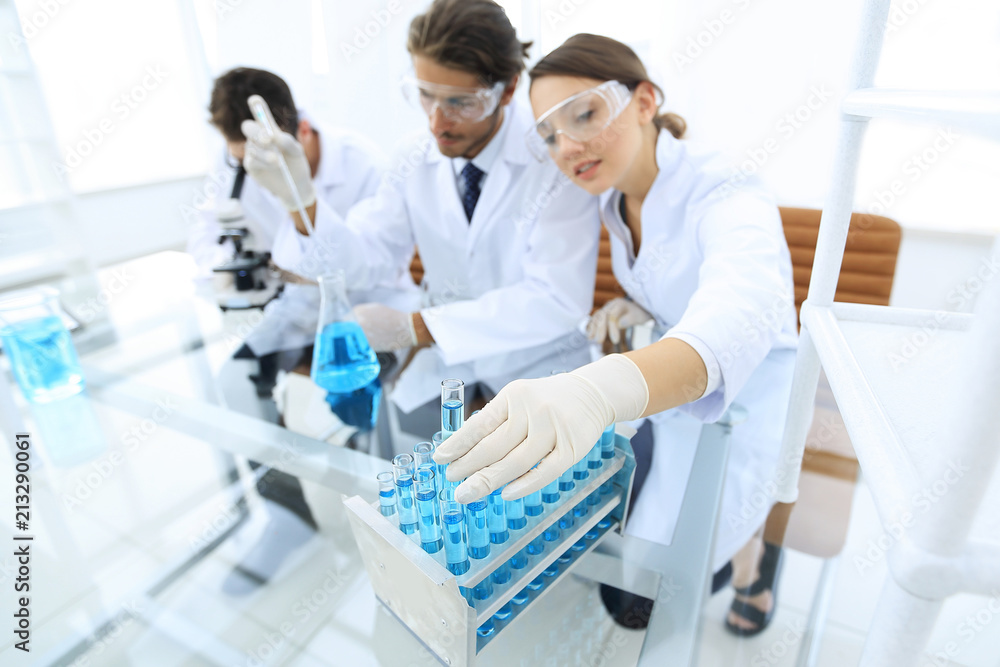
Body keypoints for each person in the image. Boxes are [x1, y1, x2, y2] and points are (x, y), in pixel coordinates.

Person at [433, 35, 798, 635]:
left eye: (584, 115)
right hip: (672, 394)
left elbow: (744, 303)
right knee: (627, 593)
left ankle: (757, 558)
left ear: (646, 100)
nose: (567, 146)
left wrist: (600, 388)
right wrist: (637, 301)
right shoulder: (612, 200)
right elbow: (672, 273)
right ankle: (737, 546)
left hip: (751, 400)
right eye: (548, 136)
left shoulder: (725, 187)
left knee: (655, 596)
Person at [242, 0, 599, 436]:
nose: (437, 122)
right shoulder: (414, 156)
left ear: (507, 91)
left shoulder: (555, 159)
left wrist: (418, 326)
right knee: (411, 480)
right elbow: (365, 257)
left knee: (530, 493)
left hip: (540, 371)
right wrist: (301, 201)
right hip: (448, 369)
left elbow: (556, 300)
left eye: (460, 103)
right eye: (425, 95)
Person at [188, 67, 388, 595]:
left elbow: (370, 262)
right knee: (232, 382)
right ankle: (287, 516)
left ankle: (380, 519)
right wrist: (238, 264)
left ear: (297, 132)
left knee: (353, 399)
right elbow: (204, 240)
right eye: (239, 160)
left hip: (363, 313)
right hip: (292, 309)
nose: (247, 171)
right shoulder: (236, 160)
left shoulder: (360, 161)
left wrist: (305, 251)